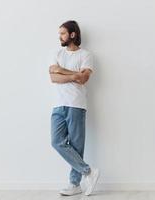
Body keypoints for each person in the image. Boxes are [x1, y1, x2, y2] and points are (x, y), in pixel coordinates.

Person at [48, 20, 100, 196]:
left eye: (63, 33)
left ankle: (74, 184)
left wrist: (63, 72)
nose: (60, 37)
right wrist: (74, 74)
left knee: (77, 146)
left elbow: (84, 79)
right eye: (59, 34)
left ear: (72, 34)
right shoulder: (57, 53)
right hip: (58, 105)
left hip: (76, 104)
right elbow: (53, 77)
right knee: (56, 142)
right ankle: (88, 171)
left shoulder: (86, 55)